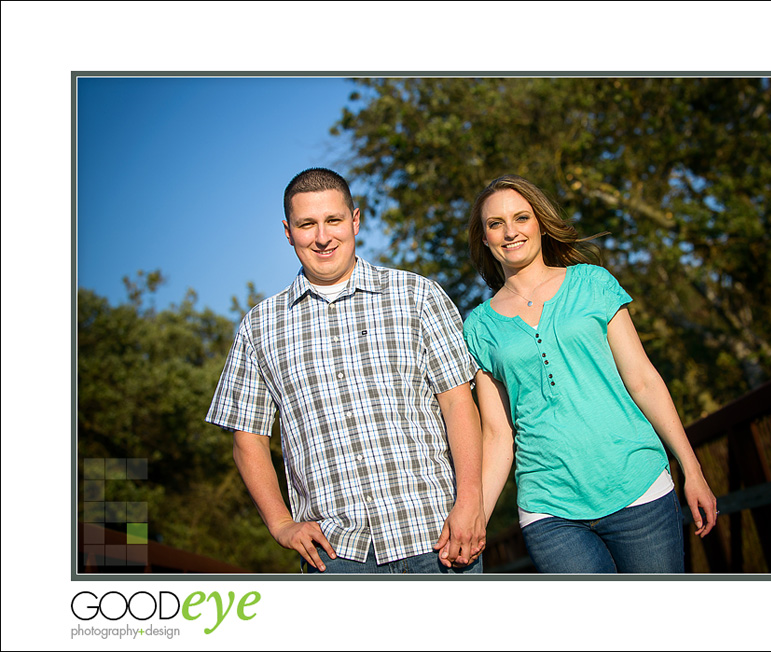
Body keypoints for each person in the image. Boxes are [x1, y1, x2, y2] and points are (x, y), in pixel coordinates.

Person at [207, 168, 485, 574]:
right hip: (338, 559)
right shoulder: (259, 326)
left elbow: (459, 403)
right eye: (307, 224)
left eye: (333, 220)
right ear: (288, 232)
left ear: (355, 220)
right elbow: (246, 439)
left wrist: (470, 503)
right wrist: (281, 524)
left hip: (437, 537)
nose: (322, 237)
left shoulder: (417, 295)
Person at [463, 174, 717, 573]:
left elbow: (644, 380)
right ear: (484, 238)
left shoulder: (593, 283)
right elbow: (498, 433)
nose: (510, 232)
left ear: (540, 223)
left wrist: (692, 469)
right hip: (549, 508)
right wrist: (475, 515)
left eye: (521, 218)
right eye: (496, 224)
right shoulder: (479, 326)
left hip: (637, 487)